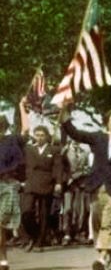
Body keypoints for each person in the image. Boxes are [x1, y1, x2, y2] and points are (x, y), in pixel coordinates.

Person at [60, 103, 111, 270]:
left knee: (108, 220)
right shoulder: (98, 138)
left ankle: (101, 259)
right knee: (98, 221)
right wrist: (65, 116)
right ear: (107, 122)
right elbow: (76, 134)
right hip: (96, 185)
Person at [19, 106, 63, 252]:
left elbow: (57, 167)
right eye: (37, 135)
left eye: (42, 135)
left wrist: (58, 182)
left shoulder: (53, 150)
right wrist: (21, 180)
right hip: (31, 183)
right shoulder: (28, 149)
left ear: (47, 136)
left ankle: (40, 242)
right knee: (26, 212)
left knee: (45, 214)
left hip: (47, 183)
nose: (39, 137)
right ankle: (33, 234)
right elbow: (22, 165)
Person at [0, 102, 30, 270]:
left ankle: (3, 258)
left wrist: (22, 107)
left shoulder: (12, 140)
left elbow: (26, 131)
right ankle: (3, 258)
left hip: (7, 185)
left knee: (0, 225)